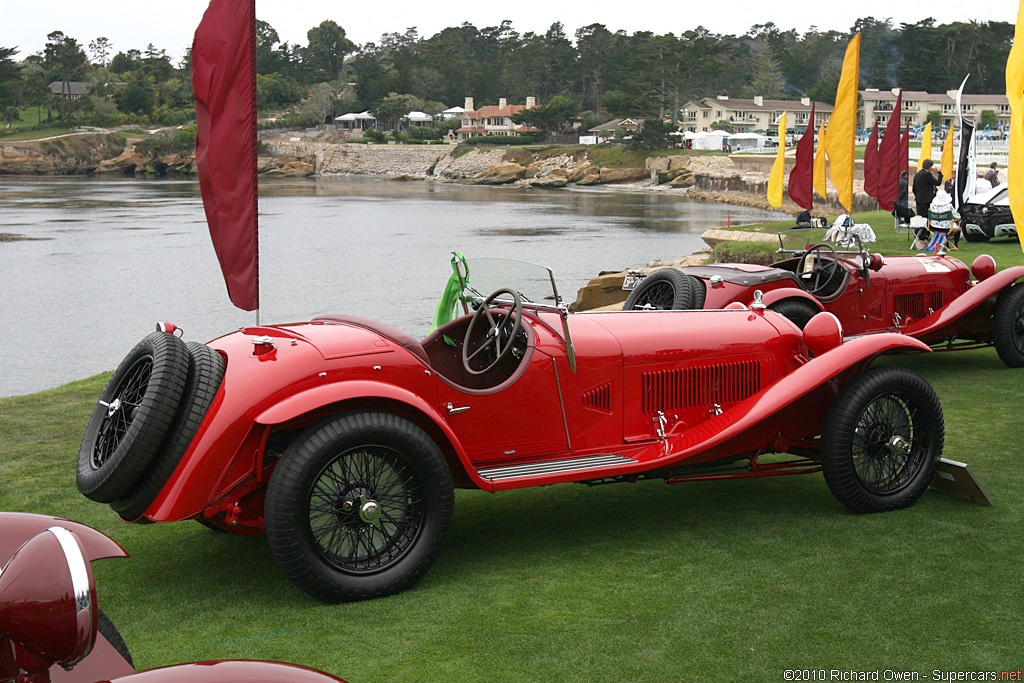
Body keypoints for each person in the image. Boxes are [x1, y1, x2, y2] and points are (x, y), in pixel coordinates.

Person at [913, 159, 943, 240]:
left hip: (919, 200)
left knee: (920, 218)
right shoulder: (927, 175)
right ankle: (925, 235)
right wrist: (939, 173)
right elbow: (938, 183)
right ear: (929, 167)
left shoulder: (917, 174)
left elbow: (914, 189)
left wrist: (918, 196)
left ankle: (918, 235)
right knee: (927, 219)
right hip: (926, 201)